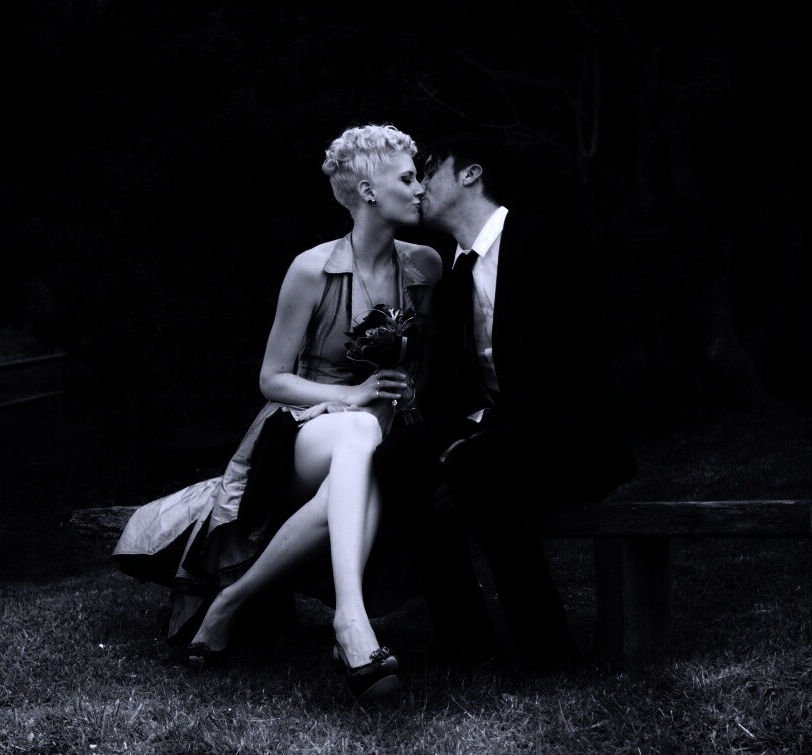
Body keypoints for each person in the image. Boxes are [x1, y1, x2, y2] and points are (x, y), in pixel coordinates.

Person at [111, 123, 441, 701]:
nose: (421, 189)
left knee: (361, 460)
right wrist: (350, 397)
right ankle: (351, 620)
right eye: (408, 178)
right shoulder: (311, 268)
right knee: (357, 430)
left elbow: (427, 364)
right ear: (368, 191)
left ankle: (231, 601)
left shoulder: (426, 266)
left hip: (385, 433)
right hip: (305, 431)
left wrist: (409, 394)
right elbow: (272, 378)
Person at [373, 131, 637, 673]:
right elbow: (455, 392)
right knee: (399, 457)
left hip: (575, 432)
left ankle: (548, 651)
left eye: (429, 169)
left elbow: (569, 369)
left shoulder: (545, 241)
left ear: (470, 174)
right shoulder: (452, 276)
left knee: (476, 461)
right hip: (498, 436)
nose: (418, 186)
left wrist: (477, 434)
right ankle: (464, 639)